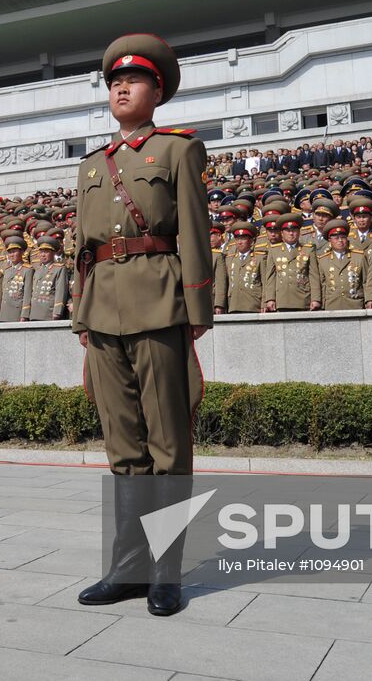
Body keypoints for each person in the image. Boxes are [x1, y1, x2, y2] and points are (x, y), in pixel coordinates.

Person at [73, 33, 211, 618]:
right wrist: (81, 316)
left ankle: (166, 573)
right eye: (113, 82)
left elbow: (195, 235)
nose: (120, 88)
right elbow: (80, 249)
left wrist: (196, 309)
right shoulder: (89, 165)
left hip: (158, 302)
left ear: (158, 91)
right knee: (123, 447)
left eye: (133, 81)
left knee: (167, 445)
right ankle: (127, 568)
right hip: (102, 309)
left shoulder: (178, 151)